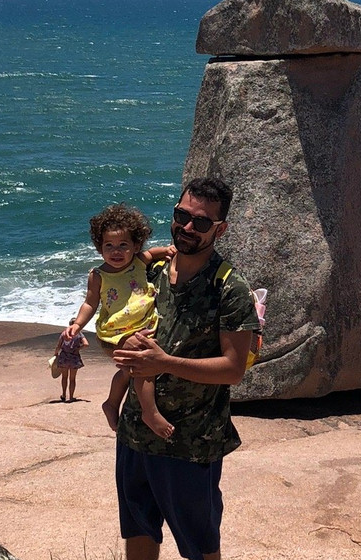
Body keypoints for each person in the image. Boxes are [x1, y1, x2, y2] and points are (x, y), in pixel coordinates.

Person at [112, 177, 259, 560]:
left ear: (220, 229)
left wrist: (164, 363)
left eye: (201, 222)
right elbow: (111, 315)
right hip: (135, 433)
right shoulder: (150, 271)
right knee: (139, 531)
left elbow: (232, 368)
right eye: (182, 216)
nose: (187, 227)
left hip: (190, 442)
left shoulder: (230, 288)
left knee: (199, 545)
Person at [64, 204, 175, 439]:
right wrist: (77, 325)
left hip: (143, 325)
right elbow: (90, 304)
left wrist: (167, 250)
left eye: (123, 245)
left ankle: (111, 404)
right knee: (143, 366)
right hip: (116, 332)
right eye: (109, 246)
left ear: (135, 245)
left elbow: (153, 253)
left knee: (127, 371)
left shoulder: (138, 262)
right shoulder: (98, 275)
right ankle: (150, 412)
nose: (116, 251)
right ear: (99, 248)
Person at [54, 317, 88, 402]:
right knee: (72, 379)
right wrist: (78, 349)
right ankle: (71, 397)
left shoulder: (64, 333)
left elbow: (58, 346)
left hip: (64, 357)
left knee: (64, 377)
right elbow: (86, 344)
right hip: (74, 357)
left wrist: (55, 354)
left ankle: (64, 394)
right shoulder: (80, 334)